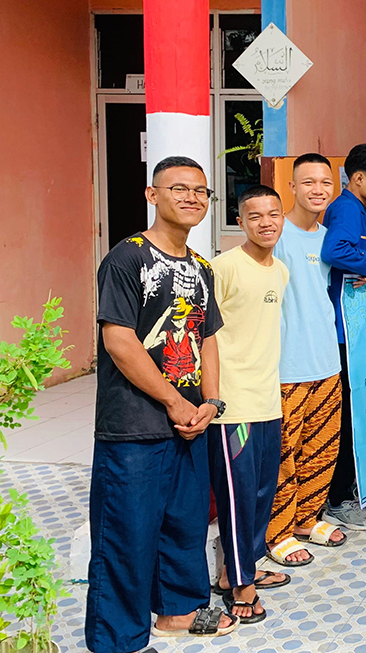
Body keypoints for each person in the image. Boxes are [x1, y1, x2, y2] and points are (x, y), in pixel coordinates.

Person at [87, 156, 236, 653]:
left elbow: (208, 338)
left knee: (184, 524)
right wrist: (174, 402)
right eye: (179, 189)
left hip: (190, 423)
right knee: (125, 536)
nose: (192, 198)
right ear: (153, 196)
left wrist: (210, 402)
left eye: (201, 191)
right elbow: (120, 342)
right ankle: (118, 642)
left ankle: (178, 613)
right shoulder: (127, 258)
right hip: (134, 426)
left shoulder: (200, 267)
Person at [209, 185, 289, 625]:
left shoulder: (280, 271)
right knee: (236, 497)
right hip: (232, 406)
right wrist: (213, 397)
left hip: (267, 399)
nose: (265, 223)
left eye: (273, 214)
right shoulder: (223, 269)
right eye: (255, 216)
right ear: (240, 221)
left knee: (260, 492)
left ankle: (236, 569)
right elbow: (205, 339)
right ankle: (241, 585)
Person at [267, 153, 346, 568]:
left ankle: (306, 519)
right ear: (292, 188)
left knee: (321, 449)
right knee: (284, 452)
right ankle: (277, 531)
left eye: (326, 183)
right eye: (309, 182)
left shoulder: (331, 237)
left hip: (326, 360)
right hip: (286, 366)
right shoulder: (276, 234)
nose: (318, 190)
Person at [321, 143, 366, 531]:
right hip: (341, 332)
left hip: (353, 330)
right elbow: (335, 249)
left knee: (356, 415)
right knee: (348, 418)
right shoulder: (348, 209)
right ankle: (337, 500)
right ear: (358, 178)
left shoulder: (359, 212)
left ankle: (346, 491)